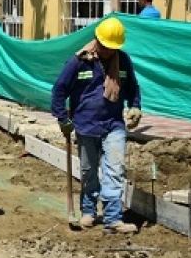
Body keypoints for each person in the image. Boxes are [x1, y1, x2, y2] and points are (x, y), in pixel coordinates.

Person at [51, 17, 142, 234]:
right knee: (89, 170)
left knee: (115, 169)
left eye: (114, 48)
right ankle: (88, 210)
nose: (110, 52)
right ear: (98, 41)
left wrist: (135, 106)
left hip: (113, 124)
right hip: (85, 125)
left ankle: (113, 218)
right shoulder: (79, 62)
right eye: (106, 47)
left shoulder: (123, 61)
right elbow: (59, 90)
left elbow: (133, 88)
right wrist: (62, 118)